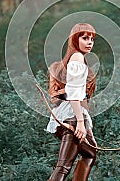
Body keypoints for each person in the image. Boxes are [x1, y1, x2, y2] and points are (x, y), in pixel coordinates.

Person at [46, 23, 97, 181]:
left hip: (72, 116)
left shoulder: (76, 57)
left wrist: (88, 130)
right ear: (75, 40)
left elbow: (80, 97)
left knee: (90, 153)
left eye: (92, 39)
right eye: (84, 38)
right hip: (73, 119)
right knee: (63, 167)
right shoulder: (77, 57)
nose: (89, 42)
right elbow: (74, 94)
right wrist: (80, 123)